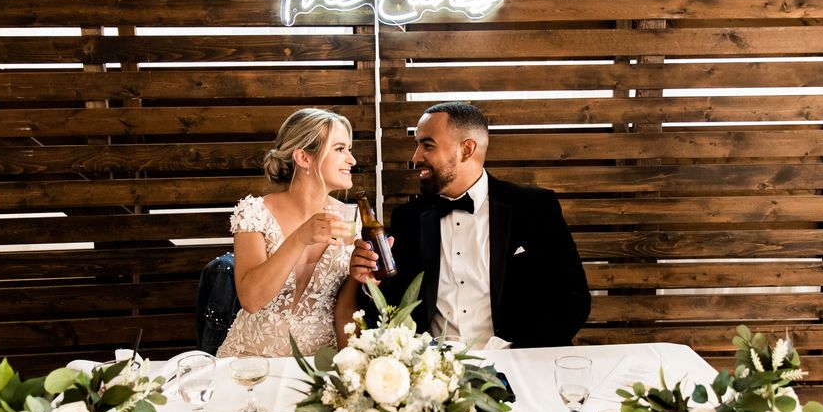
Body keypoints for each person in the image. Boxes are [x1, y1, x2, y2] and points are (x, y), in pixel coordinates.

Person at [344, 101, 590, 348]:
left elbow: (574, 301)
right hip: (434, 373)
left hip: (518, 365)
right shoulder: (408, 218)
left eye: (427, 145)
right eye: (416, 145)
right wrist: (371, 286)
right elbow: (392, 313)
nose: (415, 157)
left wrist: (517, 355)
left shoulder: (535, 208)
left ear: (467, 149)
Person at [217, 108, 360, 357]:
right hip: (250, 361)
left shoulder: (352, 222)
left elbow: (345, 310)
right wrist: (299, 238)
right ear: (304, 158)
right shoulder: (254, 212)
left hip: (319, 364)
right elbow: (251, 300)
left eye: (348, 149)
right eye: (339, 149)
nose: (352, 159)